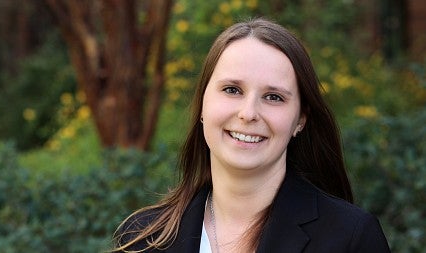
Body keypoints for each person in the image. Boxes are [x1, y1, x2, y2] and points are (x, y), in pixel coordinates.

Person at [113, 18, 391, 253]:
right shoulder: (142, 239)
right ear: (202, 105)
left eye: (273, 97)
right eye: (232, 90)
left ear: (300, 119)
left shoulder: (351, 238)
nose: (248, 113)